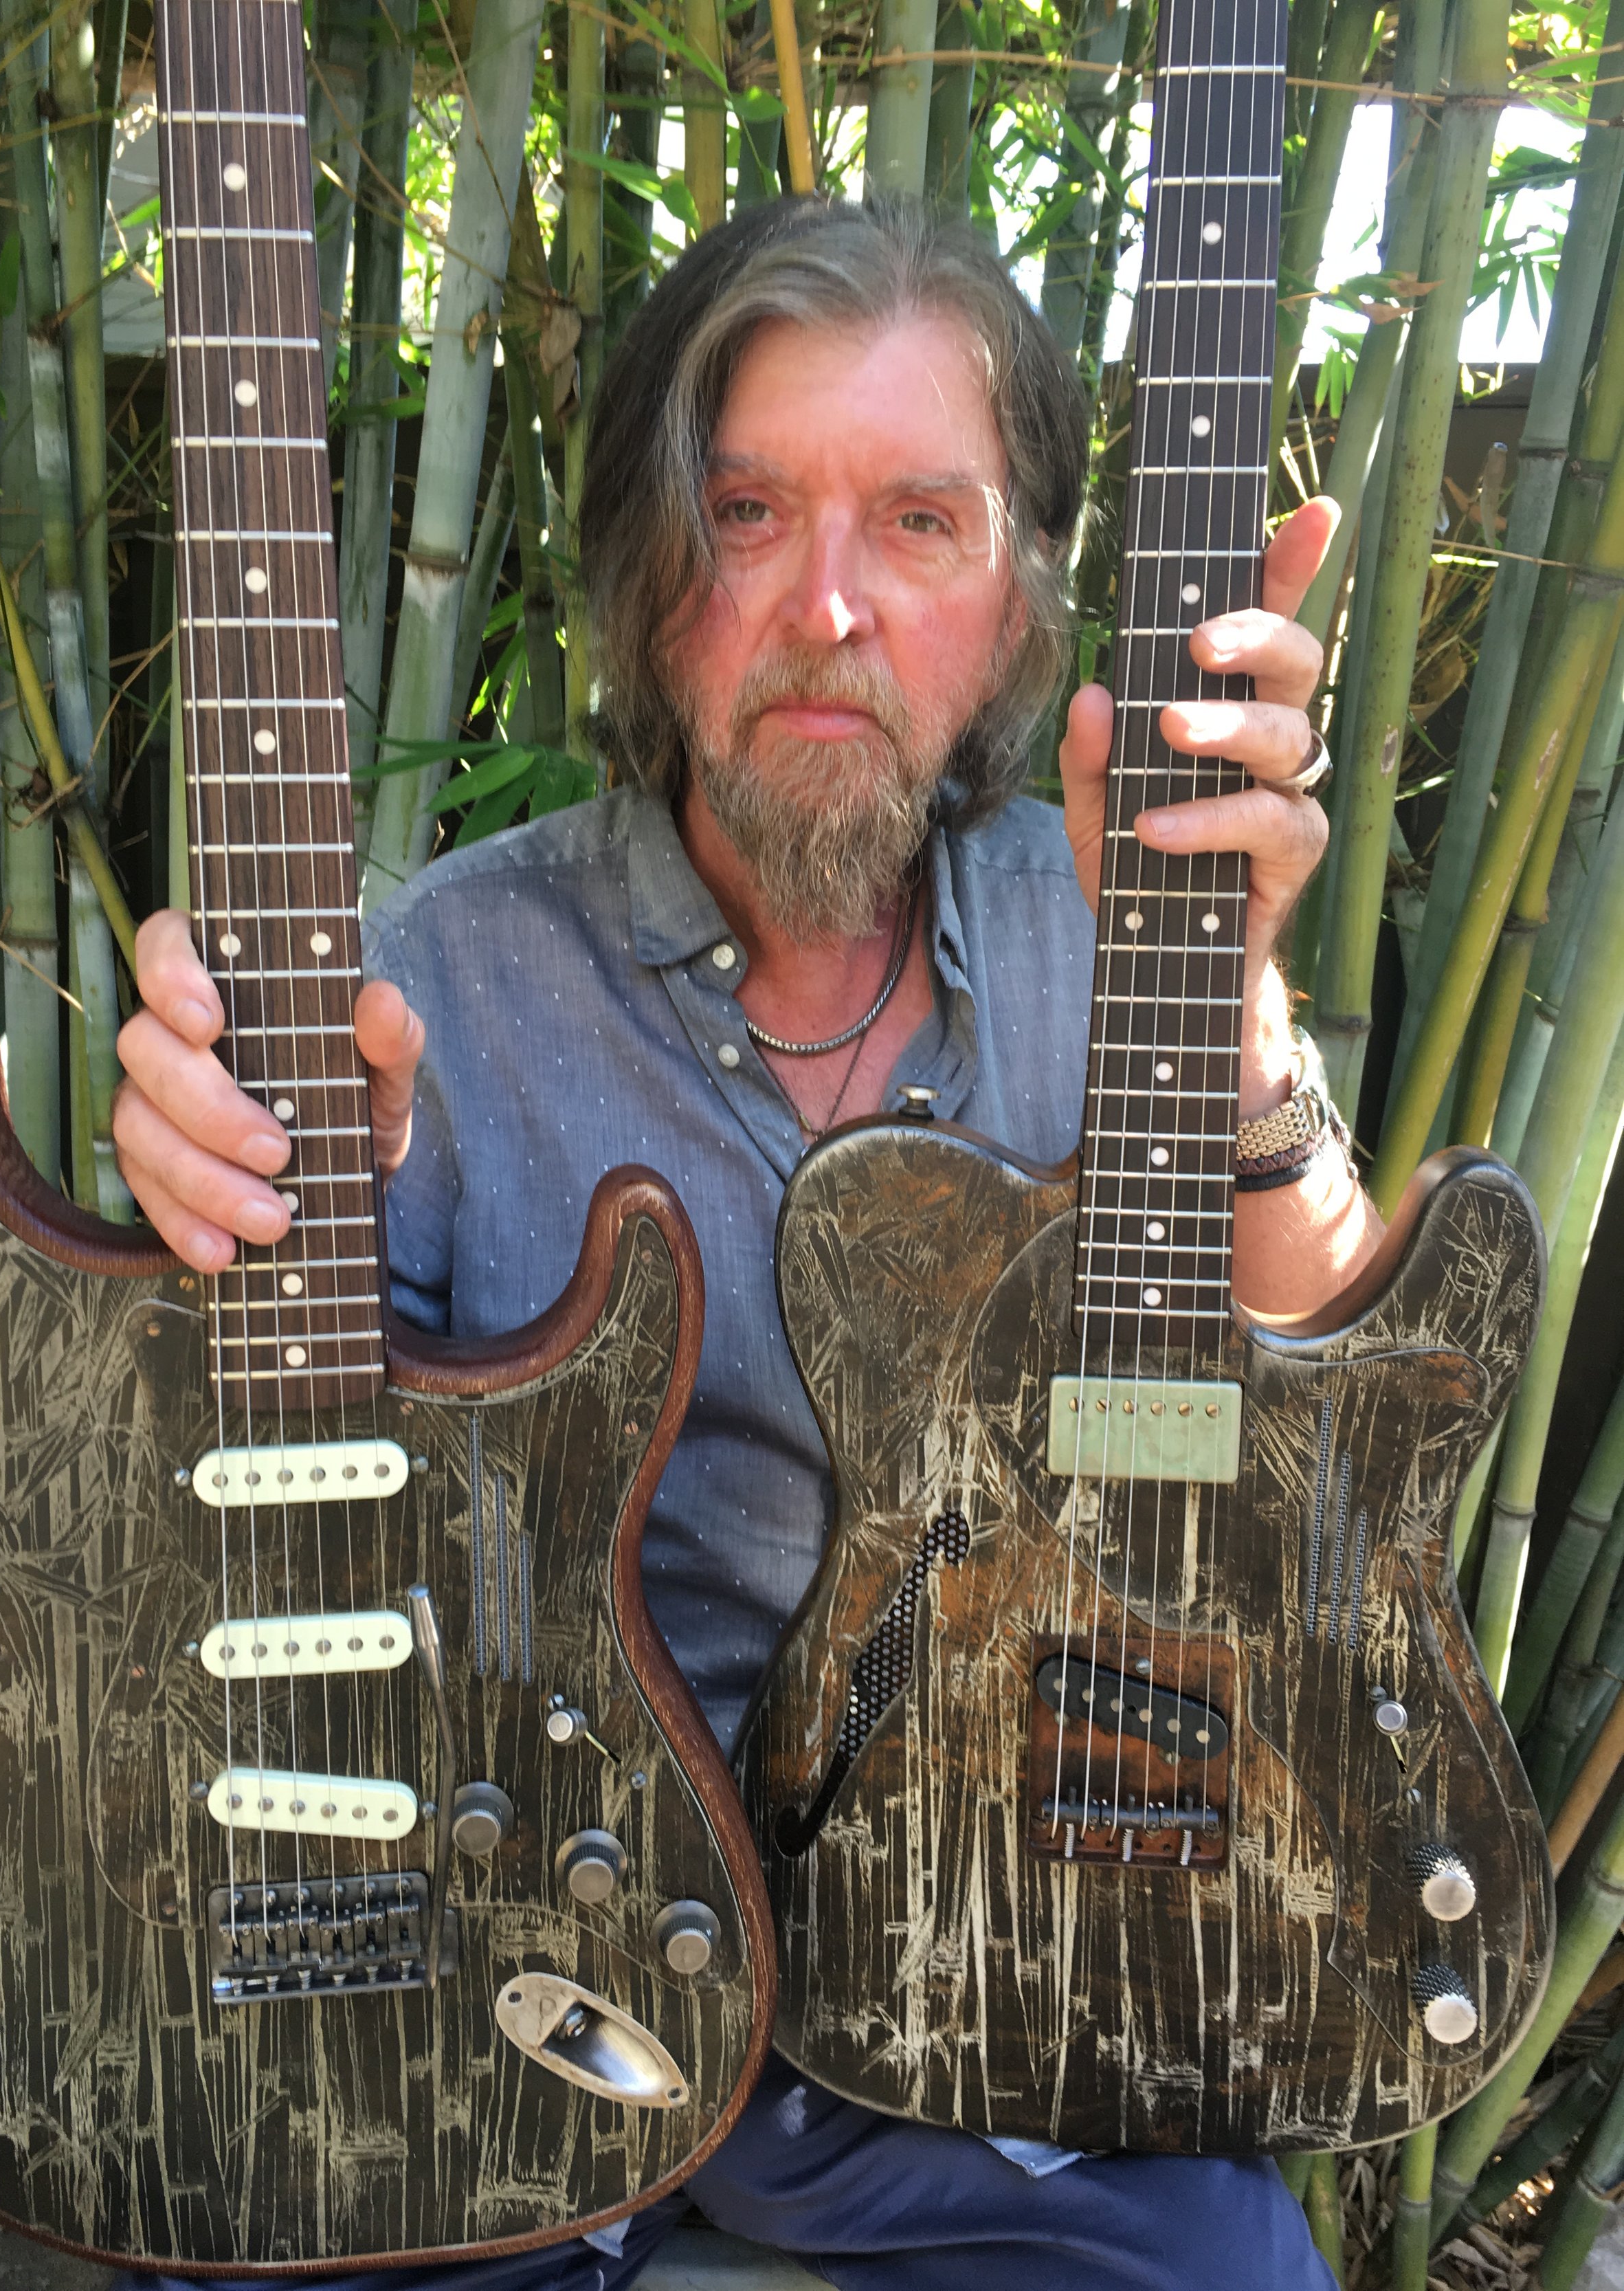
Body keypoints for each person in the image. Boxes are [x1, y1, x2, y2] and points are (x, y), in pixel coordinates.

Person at [113, 199, 1362, 2291]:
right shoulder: (421, 987)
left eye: (923, 524)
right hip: (504, 1954)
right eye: (751, 511)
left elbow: (1333, 1445)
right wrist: (239, 1213)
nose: (831, 610)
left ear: (1029, 595)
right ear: (646, 581)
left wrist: (1232, 1023)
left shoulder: (1117, 946)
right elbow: (252, 1586)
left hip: (972, 1984)